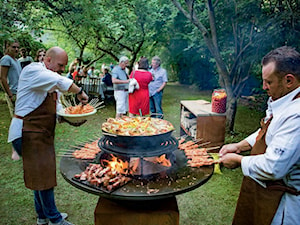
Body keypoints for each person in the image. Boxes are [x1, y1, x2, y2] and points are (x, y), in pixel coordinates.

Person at [219, 46, 300, 225]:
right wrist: (239, 146)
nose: (264, 87)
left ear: (289, 80)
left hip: (283, 205)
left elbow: (273, 167)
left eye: (268, 82)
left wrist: (238, 160)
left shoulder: (297, 115)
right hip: (266, 192)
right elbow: (267, 129)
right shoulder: (283, 100)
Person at [8, 46, 89, 225]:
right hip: (26, 131)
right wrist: (80, 91)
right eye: (60, 65)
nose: (62, 69)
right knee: (43, 176)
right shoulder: (33, 70)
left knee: (39, 175)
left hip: (40, 133)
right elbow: (60, 80)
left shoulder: (51, 80)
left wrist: (72, 119)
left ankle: (43, 216)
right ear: (48, 60)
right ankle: (54, 219)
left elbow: (57, 109)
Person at [0, 40, 22, 160]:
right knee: (16, 120)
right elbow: (2, 77)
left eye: (18, 47)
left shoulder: (16, 61)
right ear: (7, 47)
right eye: (13, 47)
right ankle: (14, 150)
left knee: (21, 120)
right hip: (13, 93)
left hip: (20, 93)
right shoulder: (6, 59)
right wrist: (9, 94)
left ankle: (20, 146)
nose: (16, 50)